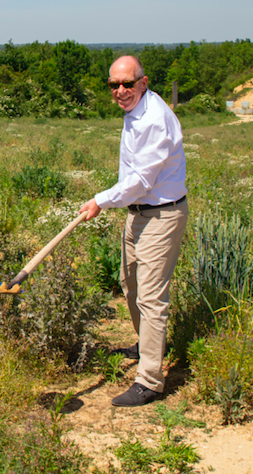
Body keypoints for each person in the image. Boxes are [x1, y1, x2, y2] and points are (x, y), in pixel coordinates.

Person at [79, 55, 188, 407]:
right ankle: (147, 345)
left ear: (143, 82)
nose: (121, 91)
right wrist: (112, 200)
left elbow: (142, 179)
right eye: (114, 85)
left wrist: (100, 200)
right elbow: (134, 177)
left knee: (151, 298)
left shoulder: (154, 119)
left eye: (128, 83)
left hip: (161, 215)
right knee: (130, 284)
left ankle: (150, 381)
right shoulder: (135, 110)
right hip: (138, 212)